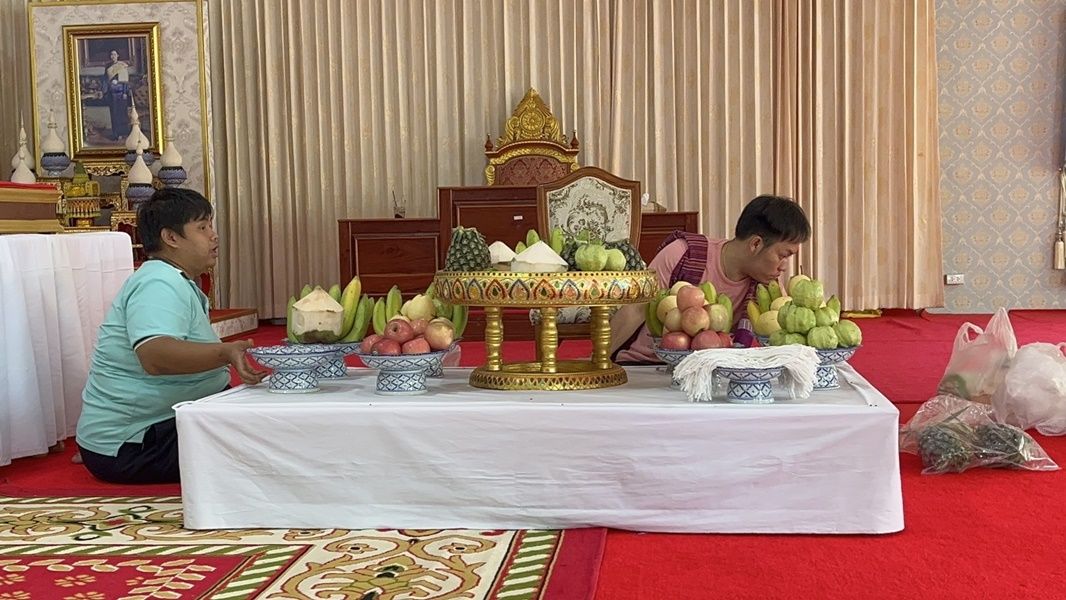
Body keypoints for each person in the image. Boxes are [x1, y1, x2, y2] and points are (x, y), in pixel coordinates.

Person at [76, 188, 265, 484]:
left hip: (156, 427)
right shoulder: (158, 282)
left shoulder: (171, 278)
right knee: (270, 443)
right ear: (171, 237)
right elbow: (155, 356)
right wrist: (225, 353)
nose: (214, 235)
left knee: (272, 421)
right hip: (136, 444)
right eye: (202, 228)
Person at [610, 195, 811, 364]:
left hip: (715, 376)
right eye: (783, 255)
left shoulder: (766, 288)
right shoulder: (683, 254)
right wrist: (597, 362)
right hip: (646, 368)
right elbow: (635, 310)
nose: (784, 267)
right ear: (756, 244)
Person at [104, 50, 131, 140]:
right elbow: (105, 80)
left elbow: (125, 80)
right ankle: (115, 134)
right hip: (112, 94)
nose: (113, 56)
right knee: (114, 114)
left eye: (114, 54)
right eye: (111, 54)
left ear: (118, 55)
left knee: (122, 114)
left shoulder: (122, 65)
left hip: (121, 93)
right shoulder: (108, 66)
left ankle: (123, 133)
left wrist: (124, 92)